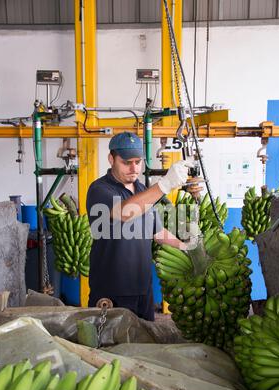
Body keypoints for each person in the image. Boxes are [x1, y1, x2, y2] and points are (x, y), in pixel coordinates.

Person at [86, 132, 202, 321]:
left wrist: (184, 247)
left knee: (145, 343)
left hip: (143, 289)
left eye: (138, 162)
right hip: (113, 289)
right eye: (126, 162)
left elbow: (157, 231)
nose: (134, 168)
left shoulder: (142, 190)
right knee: (112, 347)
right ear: (111, 159)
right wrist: (164, 185)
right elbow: (124, 213)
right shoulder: (100, 189)